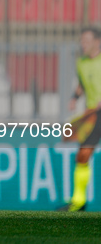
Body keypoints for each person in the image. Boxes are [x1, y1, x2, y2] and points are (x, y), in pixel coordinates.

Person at [60, 27, 101, 212]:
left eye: (86, 40)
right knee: (83, 155)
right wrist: (74, 98)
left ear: (97, 42)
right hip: (93, 115)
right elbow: (82, 84)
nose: (82, 44)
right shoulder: (81, 63)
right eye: (81, 40)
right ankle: (79, 202)